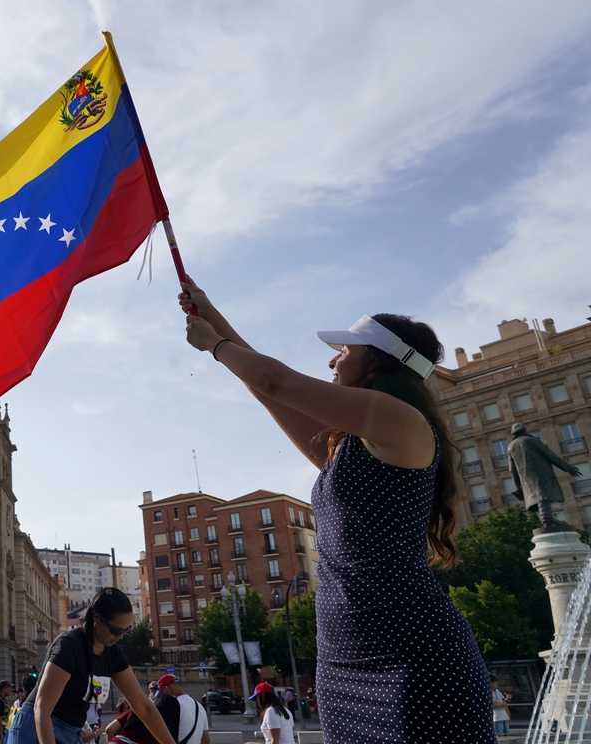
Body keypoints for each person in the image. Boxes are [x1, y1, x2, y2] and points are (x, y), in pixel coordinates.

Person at [178, 282, 495, 743]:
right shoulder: (347, 445)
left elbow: (277, 381)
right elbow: (270, 392)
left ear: (378, 360)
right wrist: (212, 315)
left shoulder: (401, 421)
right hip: (343, 658)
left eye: (343, 350)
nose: (331, 361)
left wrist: (214, 344)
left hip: (413, 658)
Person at [6, 588, 176, 744]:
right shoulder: (69, 645)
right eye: (116, 630)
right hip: (37, 727)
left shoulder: (112, 652)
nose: (121, 637)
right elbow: (41, 708)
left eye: (126, 631)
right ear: (97, 618)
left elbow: (144, 706)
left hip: (72, 732)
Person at [508, 422, 581, 528]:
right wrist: (568, 468)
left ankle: (547, 520)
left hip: (525, 479)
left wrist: (517, 486)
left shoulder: (511, 447)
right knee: (542, 495)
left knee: (535, 499)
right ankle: (546, 518)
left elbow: (512, 469)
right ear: (524, 430)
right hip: (541, 474)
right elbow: (550, 455)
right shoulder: (532, 440)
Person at [154, 677, 206, 744]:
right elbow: (206, 739)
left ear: (167, 689)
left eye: (161, 691)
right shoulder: (199, 706)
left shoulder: (171, 705)